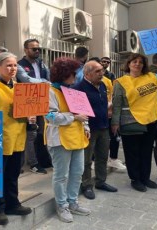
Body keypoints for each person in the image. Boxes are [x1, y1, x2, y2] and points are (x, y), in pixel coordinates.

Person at [0, 52, 32, 225]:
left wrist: (30, 118)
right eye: (8, 65)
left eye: (15, 65)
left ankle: (12, 204)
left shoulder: (19, 87)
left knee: (13, 173)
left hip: (17, 136)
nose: (13, 69)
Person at [111, 52, 157, 192]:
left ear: (144, 65)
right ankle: (136, 179)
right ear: (128, 64)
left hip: (150, 120)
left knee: (146, 151)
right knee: (132, 152)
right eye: (134, 61)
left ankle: (145, 177)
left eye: (140, 62)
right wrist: (115, 123)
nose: (137, 64)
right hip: (131, 121)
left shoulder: (151, 76)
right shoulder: (120, 82)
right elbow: (117, 104)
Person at [45, 57, 91, 223]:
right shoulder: (50, 92)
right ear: (63, 74)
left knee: (77, 173)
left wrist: (86, 127)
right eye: (73, 73)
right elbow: (50, 116)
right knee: (61, 175)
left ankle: (73, 202)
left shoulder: (73, 91)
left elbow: (83, 113)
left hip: (77, 138)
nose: (76, 76)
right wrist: (74, 117)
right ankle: (61, 205)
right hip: (59, 140)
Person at [74, 60, 118, 200]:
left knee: (103, 156)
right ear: (87, 73)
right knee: (87, 160)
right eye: (97, 71)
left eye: (102, 70)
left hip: (103, 127)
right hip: (88, 129)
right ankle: (86, 185)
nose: (102, 73)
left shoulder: (103, 85)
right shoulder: (79, 88)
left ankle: (101, 181)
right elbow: (77, 111)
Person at [18, 39, 50, 174]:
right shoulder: (19, 65)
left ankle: (43, 159)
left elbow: (50, 78)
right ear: (26, 50)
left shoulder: (41, 63)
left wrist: (46, 82)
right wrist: (44, 82)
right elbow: (27, 80)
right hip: (27, 102)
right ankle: (33, 163)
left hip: (42, 101)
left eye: (39, 49)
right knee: (31, 134)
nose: (37, 51)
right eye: (34, 49)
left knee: (43, 132)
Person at [100, 56, 126, 170]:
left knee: (115, 135)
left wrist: (110, 107)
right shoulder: (87, 81)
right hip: (96, 115)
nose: (105, 63)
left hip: (109, 113)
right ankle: (93, 160)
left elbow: (112, 95)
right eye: (103, 62)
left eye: (107, 62)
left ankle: (113, 159)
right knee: (97, 138)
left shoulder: (110, 78)